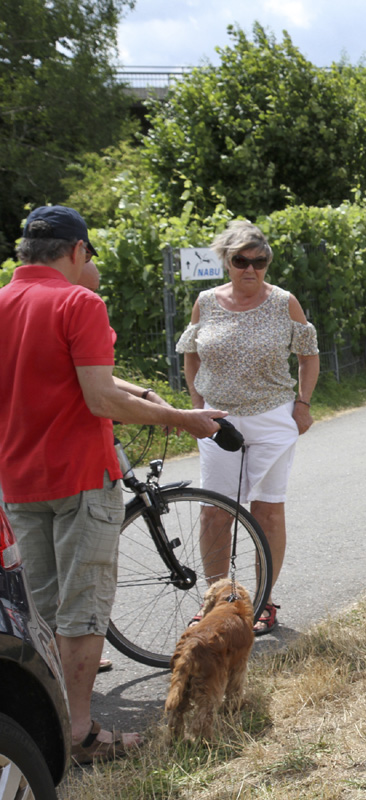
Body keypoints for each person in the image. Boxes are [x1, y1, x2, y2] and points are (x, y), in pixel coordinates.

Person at [0, 206, 224, 764]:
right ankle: (79, 735)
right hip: (79, 475)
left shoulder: (5, 302)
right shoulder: (80, 302)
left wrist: (141, 392)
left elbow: (63, 371)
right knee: (85, 608)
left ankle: (53, 718)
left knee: (44, 607)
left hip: (19, 478)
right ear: (76, 251)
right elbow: (98, 399)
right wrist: (182, 418)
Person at [175, 220, 320, 635]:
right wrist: (196, 405)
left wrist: (303, 404)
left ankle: (262, 602)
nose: (251, 269)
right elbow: (192, 354)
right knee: (213, 513)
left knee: (267, 512)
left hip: (272, 417)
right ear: (226, 261)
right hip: (218, 420)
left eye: (260, 261)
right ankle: (217, 602)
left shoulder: (283, 302)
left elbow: (308, 355)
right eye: (241, 261)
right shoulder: (206, 302)